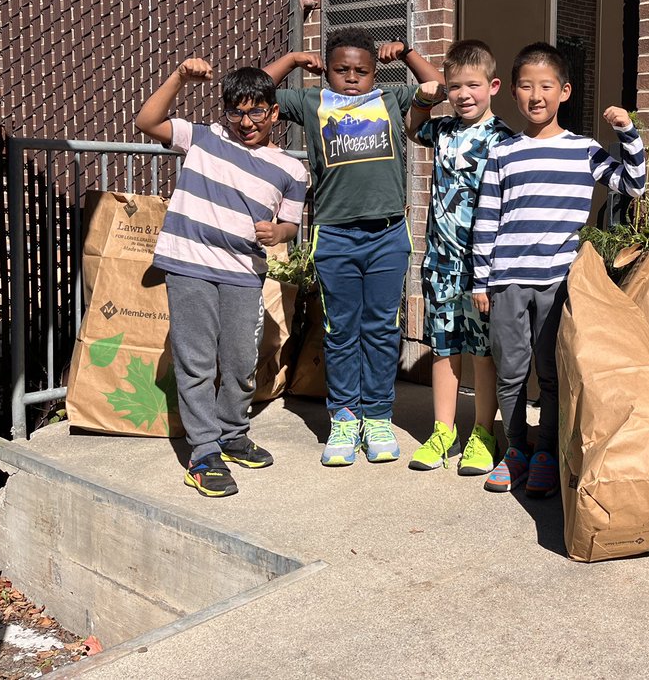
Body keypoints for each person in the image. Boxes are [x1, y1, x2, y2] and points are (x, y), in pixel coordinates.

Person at [472, 42, 646, 498]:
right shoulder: (502, 153)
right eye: (526, 86)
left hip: (558, 280)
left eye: (546, 86)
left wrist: (627, 131)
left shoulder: (584, 150)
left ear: (564, 92)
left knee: (551, 372)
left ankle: (547, 450)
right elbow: (487, 217)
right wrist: (480, 280)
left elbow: (633, 184)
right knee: (511, 371)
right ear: (512, 92)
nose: (536, 95)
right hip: (507, 279)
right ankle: (516, 451)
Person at [135, 58, 308, 497]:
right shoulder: (203, 137)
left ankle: (232, 432)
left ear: (274, 112)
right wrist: (178, 77)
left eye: (257, 112)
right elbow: (147, 121)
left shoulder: (291, 170)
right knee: (195, 363)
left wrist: (280, 231)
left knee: (238, 360)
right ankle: (204, 453)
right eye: (237, 112)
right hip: (189, 265)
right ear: (224, 111)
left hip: (244, 274)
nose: (246, 122)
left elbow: (290, 224)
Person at [266, 29, 427, 467]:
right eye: (341, 70)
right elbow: (258, 90)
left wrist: (409, 54)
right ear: (328, 70)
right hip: (336, 236)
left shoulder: (392, 99)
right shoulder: (313, 102)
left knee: (380, 329)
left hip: (388, 236)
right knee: (340, 332)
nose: (351, 78)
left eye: (361, 71)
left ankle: (376, 417)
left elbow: (437, 89)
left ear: (375, 73)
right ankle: (343, 418)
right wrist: (295, 60)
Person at [398, 40, 514, 475]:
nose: (464, 94)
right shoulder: (442, 128)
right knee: (444, 348)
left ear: (493, 86)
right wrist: (422, 100)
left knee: (483, 351)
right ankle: (442, 430)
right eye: (455, 86)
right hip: (440, 262)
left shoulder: (503, 139)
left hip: (481, 266)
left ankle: (484, 431)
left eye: (473, 85)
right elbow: (414, 127)